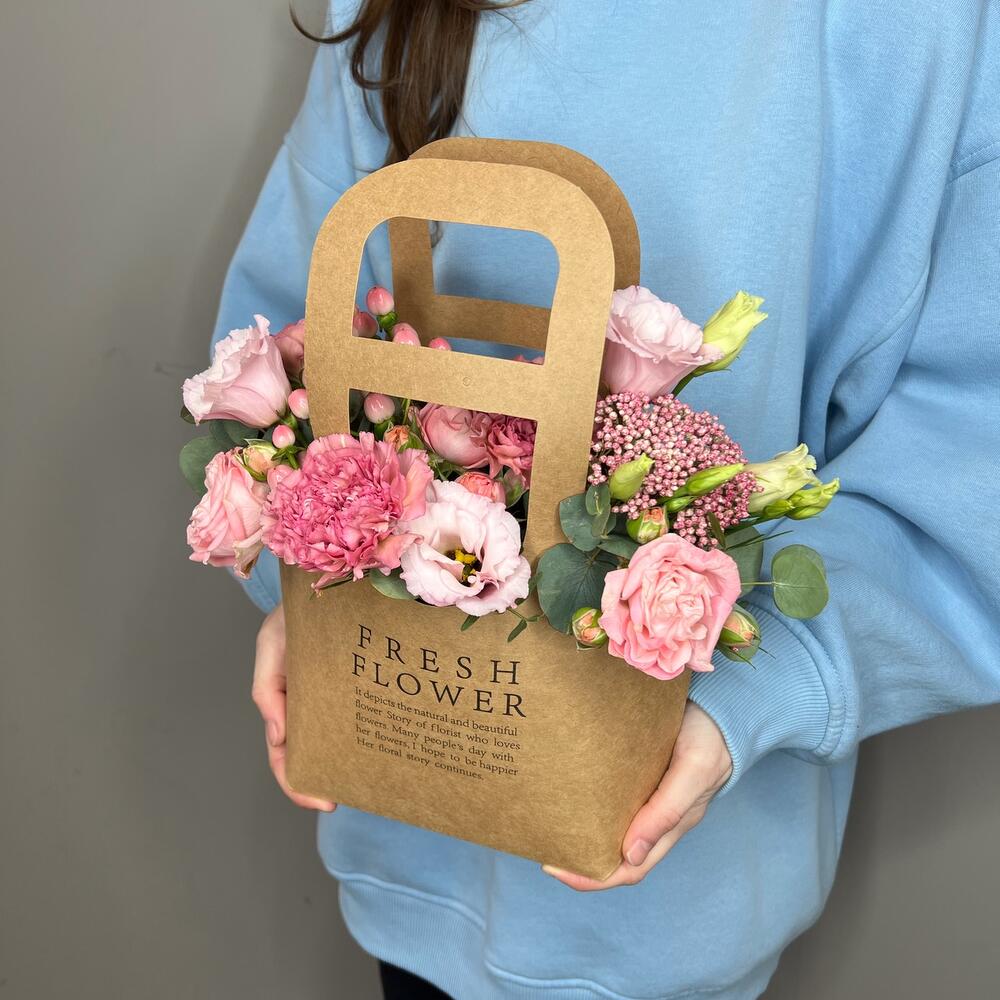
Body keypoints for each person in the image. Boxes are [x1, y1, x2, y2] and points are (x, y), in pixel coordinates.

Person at [212, 2, 1000, 998]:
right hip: (401, 834)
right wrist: (306, 569)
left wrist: (760, 683)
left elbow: (973, 463)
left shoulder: (922, 26)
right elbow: (300, 305)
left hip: (666, 887)